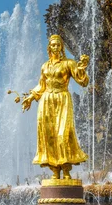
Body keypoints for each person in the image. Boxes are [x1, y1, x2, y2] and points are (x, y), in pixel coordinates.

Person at [22, 35, 89, 180]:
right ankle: (55, 170)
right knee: (49, 136)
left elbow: (82, 81)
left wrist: (82, 67)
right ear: (49, 48)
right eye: (53, 45)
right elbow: (41, 85)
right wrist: (31, 97)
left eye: (58, 45)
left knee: (62, 134)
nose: (56, 47)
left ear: (61, 47)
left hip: (62, 99)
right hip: (46, 101)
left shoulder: (68, 63)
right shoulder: (45, 66)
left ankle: (66, 169)